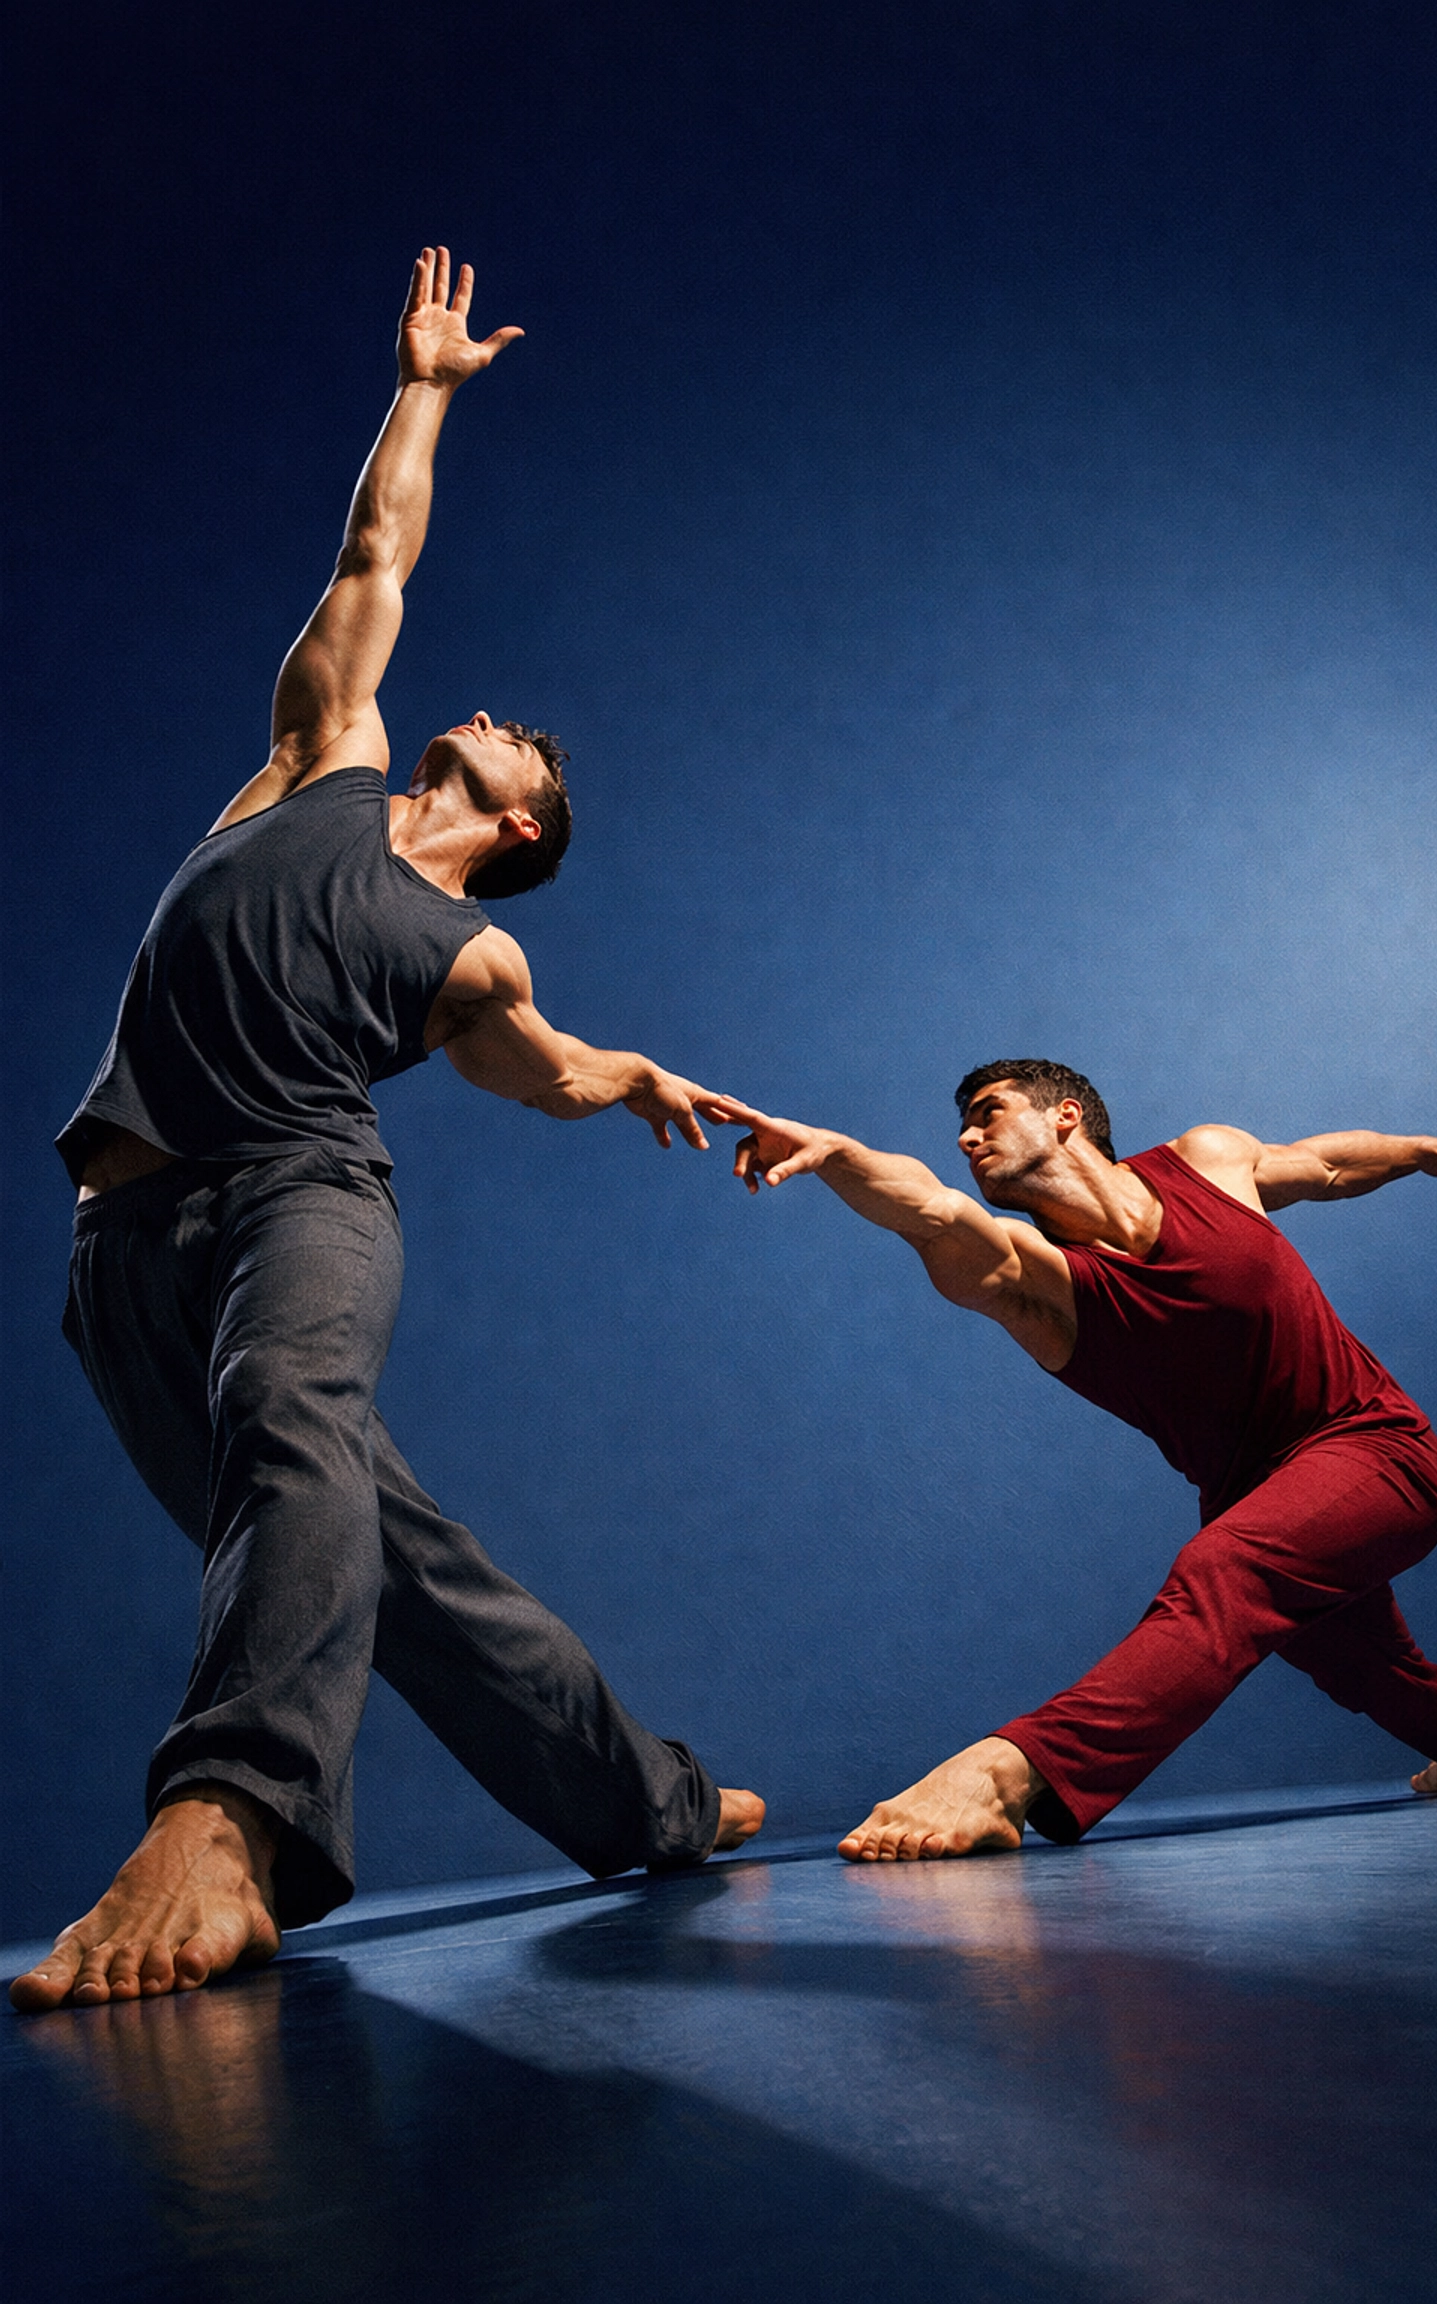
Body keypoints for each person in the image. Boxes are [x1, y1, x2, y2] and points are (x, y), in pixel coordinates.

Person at [11, 248, 762, 2014]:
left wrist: (635, 1075)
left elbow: (553, 1070)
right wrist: (425, 382)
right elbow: (377, 554)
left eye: (538, 753)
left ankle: (226, 1821)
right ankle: (651, 1801)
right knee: (366, 1556)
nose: (508, 721)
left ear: (522, 829)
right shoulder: (317, 759)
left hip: (302, 1193)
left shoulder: (478, 953)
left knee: (292, 1427)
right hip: (118, 1242)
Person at [713, 1063, 1437, 1860]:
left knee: (1224, 1574)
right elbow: (929, 1210)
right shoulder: (1044, 1283)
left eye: (988, 1111)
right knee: (1366, 1665)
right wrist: (835, 1153)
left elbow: (1323, 1163)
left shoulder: (1207, 1160)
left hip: (1377, 1449)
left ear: (1065, 1115)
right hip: (1258, 1498)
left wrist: (1425, 1148)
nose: (966, 1136)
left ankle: (1009, 1776)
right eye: (961, 1124)